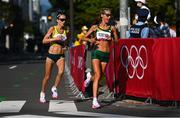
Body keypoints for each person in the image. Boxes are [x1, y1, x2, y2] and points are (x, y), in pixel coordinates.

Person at [83, 8, 118, 109]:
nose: (108, 17)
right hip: (97, 52)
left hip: (106, 54)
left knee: (100, 75)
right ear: (102, 15)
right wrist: (92, 40)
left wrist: (112, 38)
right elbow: (84, 37)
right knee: (98, 75)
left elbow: (117, 41)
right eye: (107, 15)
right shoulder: (95, 27)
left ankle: (89, 78)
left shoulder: (112, 28)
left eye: (110, 15)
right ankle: (95, 100)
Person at [39, 10, 69, 103]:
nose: (63, 21)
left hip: (60, 55)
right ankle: (42, 93)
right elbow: (44, 41)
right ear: (58, 20)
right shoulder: (53, 28)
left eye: (65, 20)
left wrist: (65, 47)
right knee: (47, 76)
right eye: (62, 19)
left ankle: (54, 88)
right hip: (51, 55)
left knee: (61, 72)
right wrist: (54, 38)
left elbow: (65, 43)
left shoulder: (66, 31)